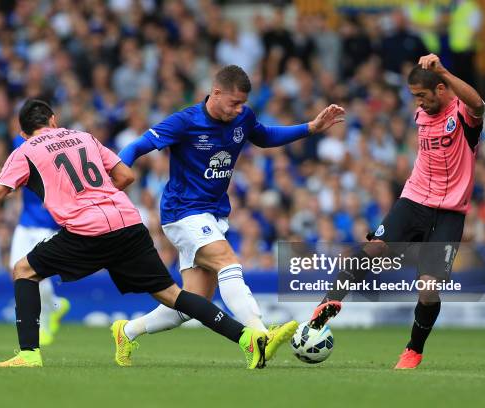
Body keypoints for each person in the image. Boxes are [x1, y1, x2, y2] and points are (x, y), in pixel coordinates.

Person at [0, 99, 273, 369]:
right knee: (173, 296)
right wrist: (100, 194)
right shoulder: (84, 137)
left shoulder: (26, 150)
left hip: (86, 230)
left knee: (24, 270)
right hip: (128, 222)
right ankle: (247, 338)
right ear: (53, 119)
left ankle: (29, 354)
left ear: (23, 131)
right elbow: (125, 175)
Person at [118, 65, 345, 365]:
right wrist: (117, 174)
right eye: (234, 103)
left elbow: (263, 136)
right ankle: (259, 335)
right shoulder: (186, 122)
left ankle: (126, 332)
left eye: (243, 104)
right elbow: (136, 146)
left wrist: (309, 128)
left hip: (212, 214)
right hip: (182, 212)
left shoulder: (243, 117)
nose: (239, 110)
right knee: (228, 261)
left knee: (192, 303)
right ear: (215, 93)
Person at [309, 54, 485, 369]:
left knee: (429, 289)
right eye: (415, 96)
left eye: (422, 96)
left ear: (443, 89)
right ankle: (328, 304)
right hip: (414, 199)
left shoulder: (460, 114)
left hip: (449, 212)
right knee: (373, 247)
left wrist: (442, 69)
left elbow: (479, 106)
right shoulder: (421, 115)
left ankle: (413, 350)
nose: (418, 102)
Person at [8, 134, 69, 346]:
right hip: (25, 220)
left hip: (48, 220)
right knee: (16, 270)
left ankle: (43, 322)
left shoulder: (58, 143)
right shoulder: (20, 143)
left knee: (34, 272)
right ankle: (55, 305)